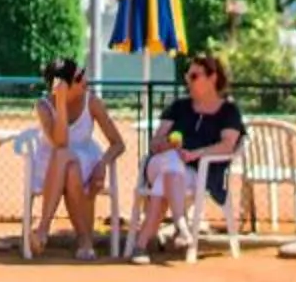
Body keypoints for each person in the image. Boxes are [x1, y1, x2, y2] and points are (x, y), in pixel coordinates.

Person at [127, 51, 247, 264]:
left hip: (196, 173)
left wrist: (194, 154)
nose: (187, 80)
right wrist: (169, 146)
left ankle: (140, 245)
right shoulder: (178, 107)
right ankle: (181, 223)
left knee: (166, 180)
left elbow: (227, 145)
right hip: (159, 164)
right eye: (187, 75)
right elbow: (155, 144)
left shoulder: (229, 111)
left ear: (213, 78)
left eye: (194, 76)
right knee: (171, 161)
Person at [28, 56, 127, 260]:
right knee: (65, 158)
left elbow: (118, 143)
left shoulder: (92, 102)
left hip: (86, 163)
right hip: (49, 168)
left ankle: (43, 230)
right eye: (80, 76)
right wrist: (61, 102)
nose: (86, 79)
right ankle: (84, 241)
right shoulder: (43, 106)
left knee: (70, 164)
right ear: (63, 84)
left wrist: (102, 164)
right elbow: (60, 142)